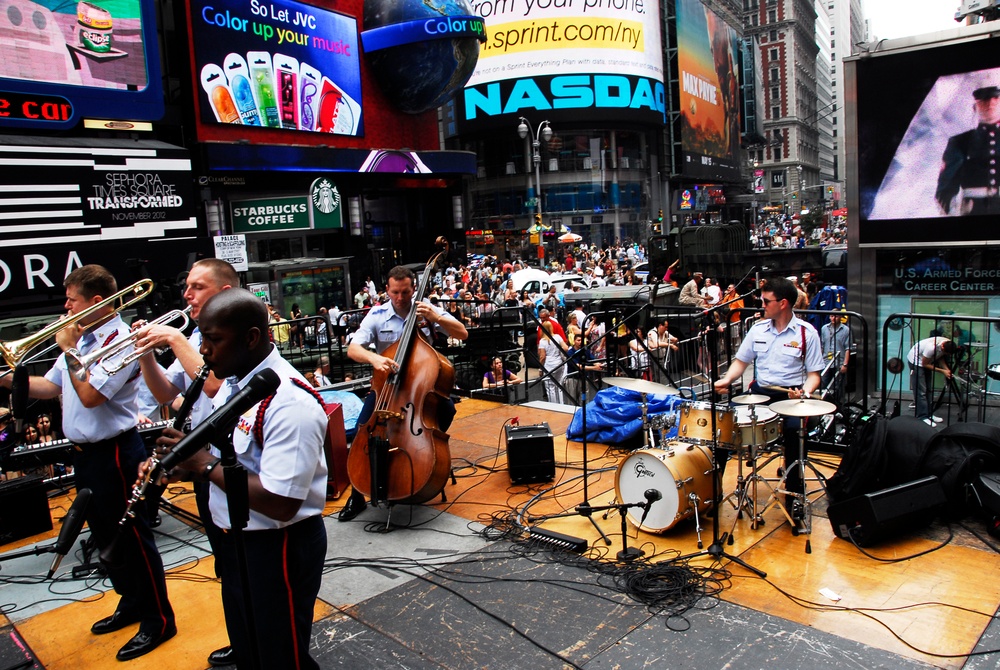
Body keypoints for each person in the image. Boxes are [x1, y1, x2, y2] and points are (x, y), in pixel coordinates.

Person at [1, 265, 175, 661]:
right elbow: (50, 387)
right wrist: (7, 377)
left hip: (116, 451)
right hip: (86, 455)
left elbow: (93, 395)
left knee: (132, 538)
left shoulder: (122, 341)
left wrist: (69, 349)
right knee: (104, 537)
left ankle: (159, 619)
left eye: (71, 300)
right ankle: (130, 603)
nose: (65, 307)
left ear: (96, 303)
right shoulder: (81, 340)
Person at [151, 289, 328, 670]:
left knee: (280, 651)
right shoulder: (235, 382)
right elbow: (233, 459)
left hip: (277, 545)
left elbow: (281, 502)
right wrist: (182, 468)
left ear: (251, 337)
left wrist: (203, 466)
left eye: (213, 339)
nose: (204, 350)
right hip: (238, 541)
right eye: (202, 338)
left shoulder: (291, 403)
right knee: (248, 642)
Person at [132, 257, 237, 667]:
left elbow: (220, 388)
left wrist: (175, 342)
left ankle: (253, 638)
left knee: (241, 560)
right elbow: (165, 391)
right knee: (225, 562)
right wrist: (144, 355)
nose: (187, 295)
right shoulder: (193, 335)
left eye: (197, 287)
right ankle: (241, 635)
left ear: (224, 293)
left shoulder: (237, 334)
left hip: (231, 459)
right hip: (202, 461)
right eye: (186, 288)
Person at [342, 263, 468, 521]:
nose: (400, 298)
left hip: (420, 389)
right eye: (395, 292)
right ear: (387, 290)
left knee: (447, 409)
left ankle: (426, 458)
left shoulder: (427, 310)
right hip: (386, 389)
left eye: (406, 293)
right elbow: (353, 349)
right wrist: (374, 359)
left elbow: (462, 333)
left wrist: (437, 318)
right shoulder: (377, 315)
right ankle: (356, 496)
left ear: (413, 290)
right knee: (359, 430)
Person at [714, 276, 824, 520]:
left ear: (783, 303)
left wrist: (804, 392)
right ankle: (714, 490)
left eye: (766, 301)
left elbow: (815, 375)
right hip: (760, 393)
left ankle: (794, 494)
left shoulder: (807, 334)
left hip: (791, 396)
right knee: (723, 424)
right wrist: (727, 380)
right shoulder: (758, 329)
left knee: (795, 433)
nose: (761, 305)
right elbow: (741, 362)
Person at [936, 85, 1000, 215]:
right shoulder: (960, 142)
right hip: (973, 212)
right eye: (984, 100)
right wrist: (953, 212)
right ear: (975, 107)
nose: (990, 104)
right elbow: (945, 189)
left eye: (995, 98)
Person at [907, 336, 956, 425]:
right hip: (917, 362)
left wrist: (946, 369)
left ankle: (929, 414)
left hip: (926, 361)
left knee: (929, 390)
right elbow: (924, 364)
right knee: (921, 391)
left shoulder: (947, 343)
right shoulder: (931, 347)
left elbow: (940, 357)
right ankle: (922, 416)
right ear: (942, 347)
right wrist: (942, 371)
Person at [820, 312, 851, 405]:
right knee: (824, 385)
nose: (833, 318)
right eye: (832, 316)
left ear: (840, 317)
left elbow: (847, 348)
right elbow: (822, 345)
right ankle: (824, 405)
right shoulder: (824, 328)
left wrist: (845, 364)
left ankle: (839, 407)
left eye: (836, 316)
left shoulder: (846, 330)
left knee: (838, 387)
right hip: (826, 362)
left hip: (839, 362)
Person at [565, 333, 603, 403]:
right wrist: (594, 367)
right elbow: (578, 366)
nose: (580, 342)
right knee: (572, 400)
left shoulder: (586, 351)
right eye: (578, 340)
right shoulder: (570, 353)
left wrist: (598, 364)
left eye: (582, 340)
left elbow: (592, 360)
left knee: (585, 400)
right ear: (574, 341)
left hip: (584, 378)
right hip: (572, 379)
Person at [538, 320, 567, 404]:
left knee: (550, 387)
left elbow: (542, 357)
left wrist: (540, 368)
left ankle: (553, 405)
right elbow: (566, 348)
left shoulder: (542, 341)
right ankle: (561, 404)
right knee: (559, 385)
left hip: (549, 365)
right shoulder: (557, 337)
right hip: (559, 363)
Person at [647, 318, 678, 386]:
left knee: (663, 376)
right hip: (654, 358)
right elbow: (656, 344)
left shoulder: (665, 333)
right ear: (660, 325)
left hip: (662, 358)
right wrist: (669, 345)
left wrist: (671, 341)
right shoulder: (652, 332)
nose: (666, 329)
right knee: (656, 377)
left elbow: (675, 339)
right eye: (665, 326)